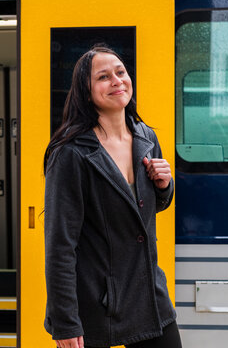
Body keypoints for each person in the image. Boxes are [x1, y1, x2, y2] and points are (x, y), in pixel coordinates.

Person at [43, 45, 182, 348]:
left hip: (149, 294)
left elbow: (143, 212)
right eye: (103, 77)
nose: (117, 80)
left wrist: (163, 187)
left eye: (121, 72)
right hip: (97, 303)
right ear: (85, 90)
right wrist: (65, 322)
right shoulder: (70, 153)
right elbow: (60, 246)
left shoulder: (146, 137)